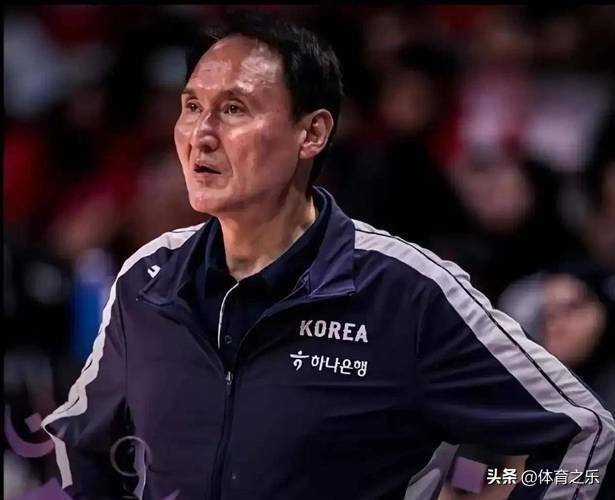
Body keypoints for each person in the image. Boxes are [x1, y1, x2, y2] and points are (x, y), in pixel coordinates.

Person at [42, 10, 614, 500]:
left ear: (311, 133)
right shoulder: (146, 279)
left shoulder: (406, 290)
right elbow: (78, 441)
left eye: (234, 108)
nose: (201, 133)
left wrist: (494, 485)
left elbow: (581, 438)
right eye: (192, 105)